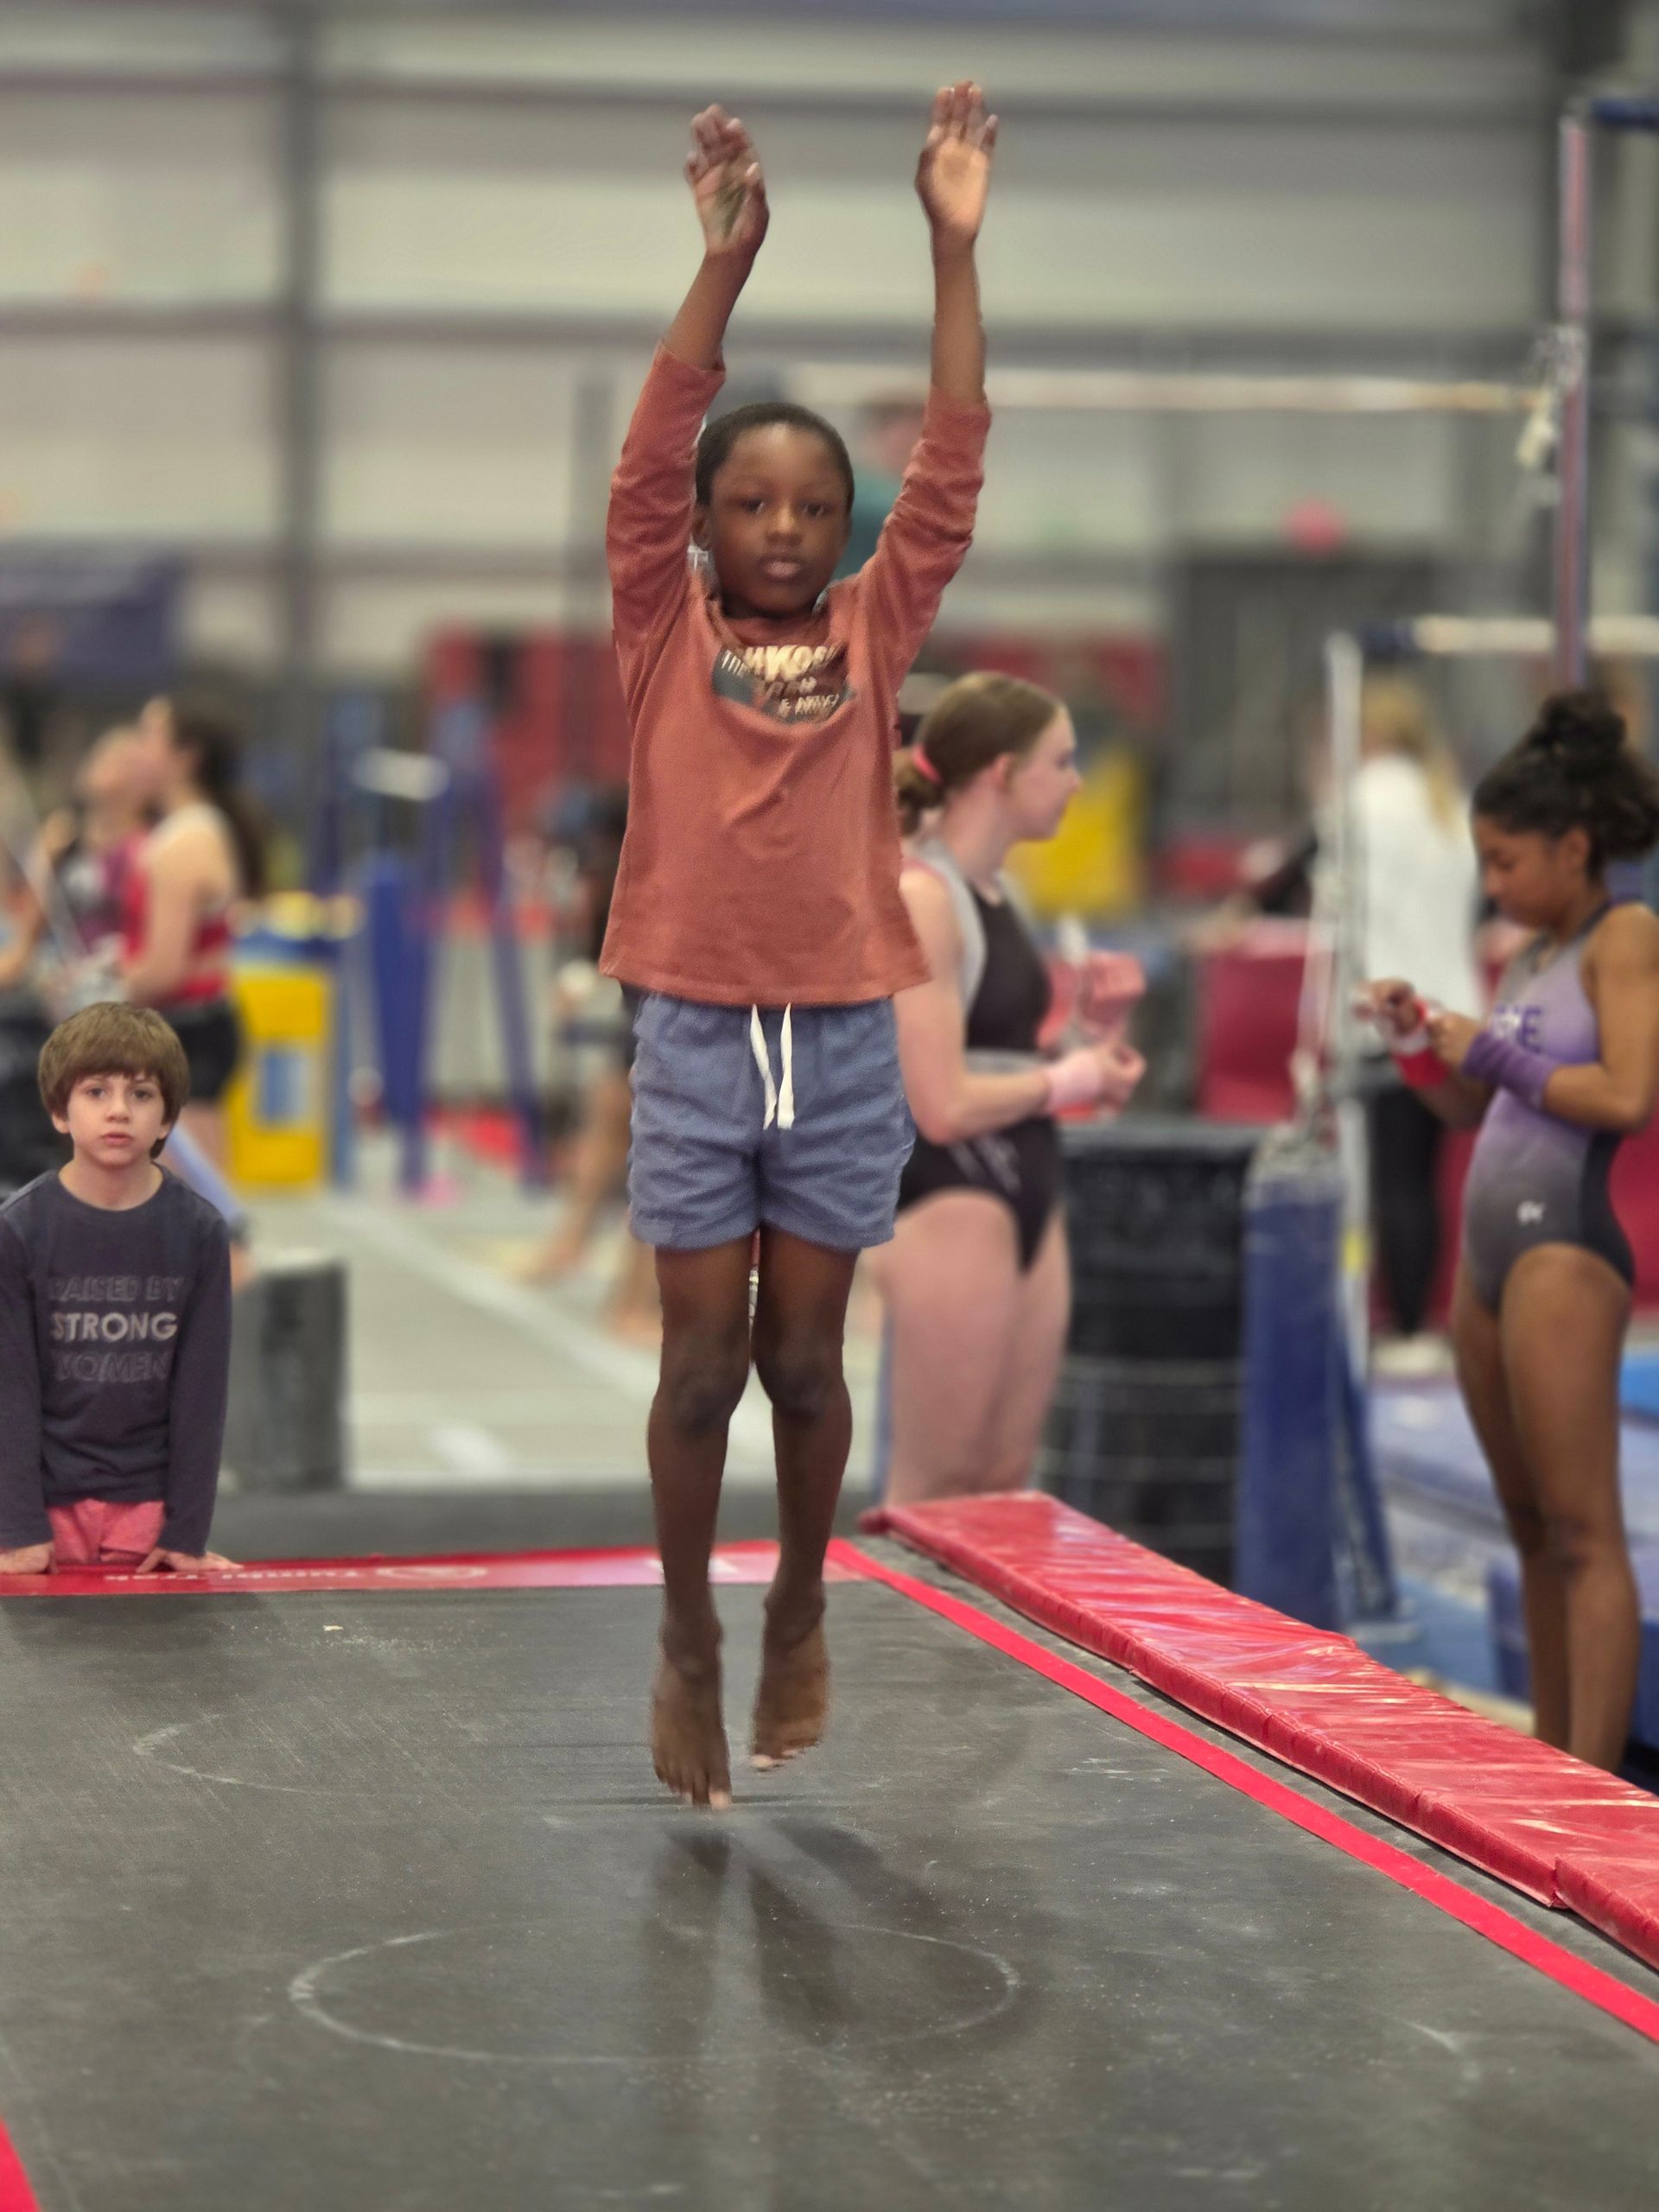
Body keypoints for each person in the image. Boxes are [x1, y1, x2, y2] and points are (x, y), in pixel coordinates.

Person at [600, 86, 997, 1807]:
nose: (778, 527)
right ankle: (688, 1627)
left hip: (839, 1029)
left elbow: (957, 460)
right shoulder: (655, 614)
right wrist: (724, 263)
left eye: (806, 505)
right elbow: (647, 449)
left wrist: (951, 243)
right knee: (698, 1366)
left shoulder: (873, 625)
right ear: (702, 525)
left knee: (805, 1360)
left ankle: (802, 1603)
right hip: (698, 1023)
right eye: (748, 503)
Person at [1360, 692, 1659, 1771]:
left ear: (1574, 846)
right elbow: (1478, 1109)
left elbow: (1626, 1093)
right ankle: (1548, 1762)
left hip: (1561, 1252)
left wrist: (1491, 1049)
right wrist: (1419, 1050)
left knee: (1583, 1533)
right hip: (1488, 1260)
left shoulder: (1625, 938)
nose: (1493, 884)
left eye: (1505, 861)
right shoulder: (1531, 954)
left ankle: (1594, 1787)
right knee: (1528, 1527)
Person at [880, 673, 1145, 1505]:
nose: (1076, 784)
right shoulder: (923, 898)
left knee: (1000, 1489)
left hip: (1031, 1188)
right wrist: (1073, 1075)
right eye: (1061, 763)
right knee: (935, 1489)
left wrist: (1092, 1038)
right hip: (951, 1197)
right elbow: (943, 1103)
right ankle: (886, 1642)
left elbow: (1002, 1063)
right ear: (1000, 772)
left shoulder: (1001, 893)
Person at [0, 1002, 237, 1576]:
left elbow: (201, 1393)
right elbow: (11, 1388)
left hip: (149, 1513)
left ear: (166, 1120)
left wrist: (186, 1531)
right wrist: (19, 1528)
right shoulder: (19, 1229)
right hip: (45, 1511)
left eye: (141, 1095)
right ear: (60, 1111)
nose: (118, 1112)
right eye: (96, 1092)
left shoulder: (200, 1232)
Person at [1349, 677, 1480, 1369]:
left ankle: (1400, 1327)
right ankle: (1417, 1324)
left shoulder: (1362, 799)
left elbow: (1297, 877)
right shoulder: (1449, 805)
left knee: (1391, 1177)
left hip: (1389, 1010)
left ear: (1368, 735)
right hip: (1452, 1008)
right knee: (1424, 1177)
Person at [118, 697, 266, 1168]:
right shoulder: (178, 833)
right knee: (181, 1208)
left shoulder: (186, 845)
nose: (136, 751)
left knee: (195, 1206)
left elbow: (164, 970)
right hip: (185, 1028)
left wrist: (94, 991)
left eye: (148, 738)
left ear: (186, 758)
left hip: (189, 1035)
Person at [0, 723, 151, 995]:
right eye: (102, 756)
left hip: (126, 989)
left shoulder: (151, 846)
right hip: (68, 989)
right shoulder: (62, 837)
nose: (106, 766)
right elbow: (26, 942)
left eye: (122, 762)